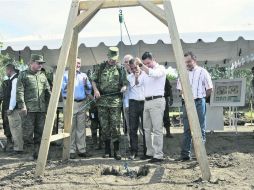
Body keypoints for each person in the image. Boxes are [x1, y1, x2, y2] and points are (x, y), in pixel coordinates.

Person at [91, 47, 128, 160]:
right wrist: (96, 90)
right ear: (107, 56)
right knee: (104, 126)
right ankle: (107, 150)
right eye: (111, 58)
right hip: (102, 100)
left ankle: (116, 150)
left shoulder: (120, 68)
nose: (113, 60)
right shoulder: (100, 67)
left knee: (115, 126)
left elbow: (125, 83)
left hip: (115, 101)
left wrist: (124, 87)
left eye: (115, 58)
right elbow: (93, 80)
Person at [176, 51, 213, 161]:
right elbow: (179, 89)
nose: (187, 64)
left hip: (199, 101)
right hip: (187, 103)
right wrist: (186, 98)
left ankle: (200, 156)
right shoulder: (183, 73)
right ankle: (185, 155)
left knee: (200, 128)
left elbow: (210, 88)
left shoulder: (203, 72)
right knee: (187, 129)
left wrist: (201, 98)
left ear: (194, 60)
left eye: (189, 61)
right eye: (185, 62)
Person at [16, 54, 51, 159]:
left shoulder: (42, 76)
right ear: (31, 63)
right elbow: (19, 91)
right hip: (29, 110)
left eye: (41, 63)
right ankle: (28, 154)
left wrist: (50, 106)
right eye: (38, 63)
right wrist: (22, 106)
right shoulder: (23, 75)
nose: (40, 65)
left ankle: (38, 154)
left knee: (40, 132)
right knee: (27, 133)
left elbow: (47, 91)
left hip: (41, 110)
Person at [62, 57, 92, 159]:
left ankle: (82, 149)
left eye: (79, 63)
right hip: (70, 103)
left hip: (82, 103)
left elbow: (89, 90)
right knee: (71, 127)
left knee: (81, 128)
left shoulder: (84, 75)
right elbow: (62, 89)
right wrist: (70, 81)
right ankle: (71, 150)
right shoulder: (65, 75)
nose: (78, 65)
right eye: (76, 63)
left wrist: (86, 85)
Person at [139, 52, 166, 163]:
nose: (147, 65)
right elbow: (139, 83)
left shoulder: (161, 68)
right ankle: (149, 152)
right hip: (147, 101)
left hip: (157, 101)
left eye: (148, 63)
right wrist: (137, 74)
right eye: (145, 63)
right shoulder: (144, 71)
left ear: (153, 59)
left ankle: (158, 154)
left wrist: (141, 66)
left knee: (157, 129)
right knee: (146, 129)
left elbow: (154, 74)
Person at [127, 58, 147, 160]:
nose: (134, 70)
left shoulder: (146, 74)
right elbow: (136, 83)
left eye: (136, 67)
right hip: (133, 103)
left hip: (144, 103)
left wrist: (139, 75)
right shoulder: (129, 77)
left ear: (139, 65)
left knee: (145, 128)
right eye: (132, 68)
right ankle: (134, 151)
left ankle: (146, 151)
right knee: (133, 129)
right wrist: (135, 77)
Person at [5, 64, 24, 154]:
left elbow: (14, 95)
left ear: (9, 70)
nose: (5, 72)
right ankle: (18, 147)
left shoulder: (15, 79)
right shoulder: (13, 79)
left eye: (6, 71)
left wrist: (11, 108)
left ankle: (18, 148)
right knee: (15, 128)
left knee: (16, 128)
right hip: (14, 108)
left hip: (14, 109)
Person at [122, 54, 133, 150]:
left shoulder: (137, 71)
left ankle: (144, 145)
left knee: (142, 126)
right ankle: (131, 145)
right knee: (129, 127)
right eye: (125, 62)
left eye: (129, 61)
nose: (127, 64)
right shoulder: (121, 74)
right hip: (126, 104)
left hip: (138, 103)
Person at [0, 79, 13, 151]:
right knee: (7, 125)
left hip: (8, 108)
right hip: (7, 107)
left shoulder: (5, 83)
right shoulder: (5, 83)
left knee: (8, 124)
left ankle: (10, 143)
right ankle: (10, 142)